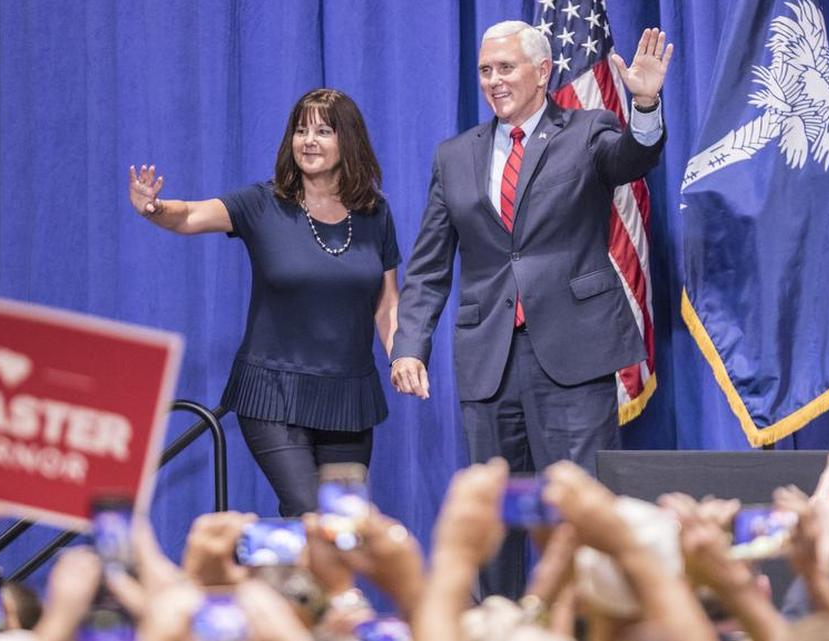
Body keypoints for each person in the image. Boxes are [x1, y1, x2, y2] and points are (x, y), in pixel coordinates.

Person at [390, 20, 673, 599]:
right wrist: (409, 343)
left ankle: (586, 625)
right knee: (493, 518)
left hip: (574, 355)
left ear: (543, 72)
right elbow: (427, 263)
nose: (494, 81)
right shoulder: (454, 156)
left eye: (507, 68)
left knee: (579, 511)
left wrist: (644, 104)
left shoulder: (588, 129)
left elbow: (633, 159)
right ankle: (499, 624)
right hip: (489, 360)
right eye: (486, 70)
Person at [128, 88, 401, 517]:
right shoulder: (263, 203)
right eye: (300, 130)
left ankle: (285, 584)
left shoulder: (374, 214)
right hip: (274, 395)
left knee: (341, 530)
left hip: (349, 398)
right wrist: (154, 208)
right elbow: (189, 215)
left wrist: (401, 355)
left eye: (323, 131)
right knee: (309, 512)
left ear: (348, 140)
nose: (308, 141)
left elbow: (387, 302)